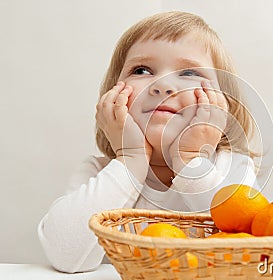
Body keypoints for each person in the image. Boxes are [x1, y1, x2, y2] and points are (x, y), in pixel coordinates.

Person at [38, 11, 260, 273]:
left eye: (188, 72)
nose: (162, 85)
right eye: (141, 70)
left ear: (222, 105)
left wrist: (191, 159)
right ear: (113, 96)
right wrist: (130, 159)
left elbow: (249, 249)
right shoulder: (98, 172)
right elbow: (66, 256)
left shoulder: (233, 167)